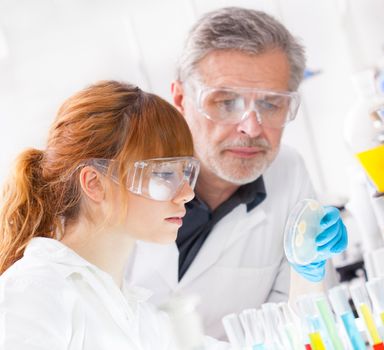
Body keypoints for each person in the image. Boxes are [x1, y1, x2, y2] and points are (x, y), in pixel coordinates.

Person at [126, 7, 348, 339]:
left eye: (271, 104)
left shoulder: (288, 173)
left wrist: (310, 275)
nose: (251, 127)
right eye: (226, 102)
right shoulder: (124, 180)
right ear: (180, 99)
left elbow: (304, 327)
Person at [0, 81, 200, 349]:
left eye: (186, 172)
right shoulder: (34, 294)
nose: (187, 193)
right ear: (94, 183)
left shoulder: (137, 314)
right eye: (163, 174)